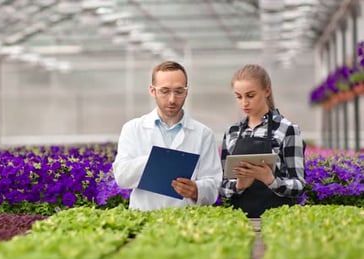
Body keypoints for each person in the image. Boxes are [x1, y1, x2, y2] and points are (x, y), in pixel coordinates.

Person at [112, 60, 222, 211]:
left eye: (178, 91)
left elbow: (213, 185)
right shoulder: (133, 129)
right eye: (165, 91)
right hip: (144, 219)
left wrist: (197, 190)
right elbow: (122, 177)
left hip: (186, 223)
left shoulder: (203, 134)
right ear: (152, 91)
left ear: (186, 92)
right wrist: (155, 160)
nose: (172, 99)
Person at [219, 64, 305, 218]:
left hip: (278, 221)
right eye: (239, 96)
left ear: (267, 90)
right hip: (238, 223)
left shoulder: (287, 129)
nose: (244, 103)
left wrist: (271, 180)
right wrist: (239, 185)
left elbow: (298, 185)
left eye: (250, 95)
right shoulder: (232, 132)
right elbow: (222, 185)